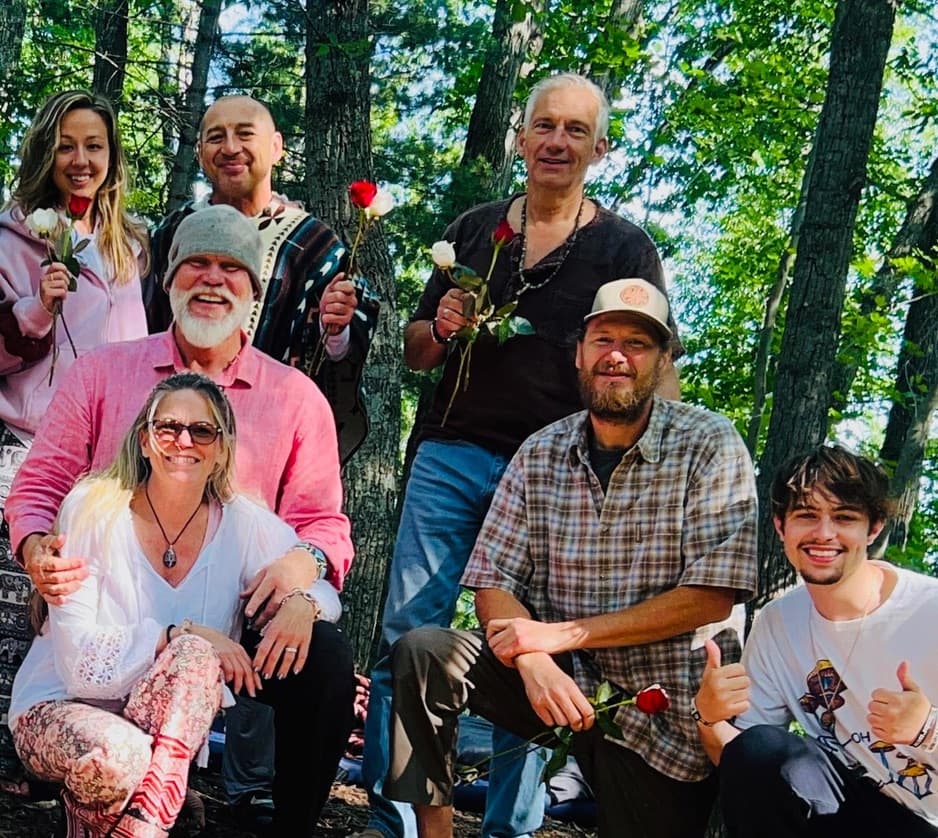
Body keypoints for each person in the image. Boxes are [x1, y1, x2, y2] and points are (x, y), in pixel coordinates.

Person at [358, 72, 683, 838]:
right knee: (408, 632)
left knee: (531, 645)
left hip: (559, 472)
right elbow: (413, 356)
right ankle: (395, 819)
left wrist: (656, 461)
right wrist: (440, 325)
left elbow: (650, 364)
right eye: (545, 126)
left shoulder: (625, 246)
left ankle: (510, 827)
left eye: (576, 130)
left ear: (599, 148)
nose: (557, 142)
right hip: (451, 453)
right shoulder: (473, 231)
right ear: (521, 138)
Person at [5, 204, 356, 833]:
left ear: (254, 290)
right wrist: (37, 550)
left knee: (326, 659)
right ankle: (128, 789)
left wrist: (304, 583)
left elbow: (324, 526)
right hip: (109, 608)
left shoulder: (296, 398)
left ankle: (289, 826)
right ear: (168, 280)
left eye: (232, 269)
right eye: (197, 263)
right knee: (127, 705)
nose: (213, 280)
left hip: (238, 608)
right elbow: (41, 483)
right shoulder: (102, 373)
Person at [384, 278, 757, 838]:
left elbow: (711, 596)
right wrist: (532, 660)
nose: (617, 356)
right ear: (579, 353)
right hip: (559, 683)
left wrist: (559, 637)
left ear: (662, 361)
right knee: (424, 652)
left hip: (664, 719)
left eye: (637, 344)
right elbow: (493, 580)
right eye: (603, 338)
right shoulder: (541, 451)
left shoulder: (708, 442)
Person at [10, 372, 339, 837]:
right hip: (62, 708)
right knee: (126, 747)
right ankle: (139, 807)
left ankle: (141, 822)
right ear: (144, 440)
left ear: (222, 448)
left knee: (195, 659)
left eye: (202, 431)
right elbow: (80, 667)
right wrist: (180, 634)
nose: (184, 441)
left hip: (163, 732)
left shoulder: (245, 524)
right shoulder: (94, 509)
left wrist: (302, 601)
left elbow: (324, 589)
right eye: (168, 427)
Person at [0, 89, 149, 786]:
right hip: (26, 440)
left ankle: (60, 749)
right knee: (13, 598)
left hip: (106, 458)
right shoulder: (12, 236)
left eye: (94, 145)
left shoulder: (129, 245)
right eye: (66, 145)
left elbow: (139, 347)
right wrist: (38, 306)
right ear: (45, 152)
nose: (81, 159)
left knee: (81, 604)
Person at [694, 446, 938, 836]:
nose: (824, 534)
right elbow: (741, 760)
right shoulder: (779, 622)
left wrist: (927, 729)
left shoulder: (929, 610)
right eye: (806, 516)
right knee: (760, 750)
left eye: (844, 518)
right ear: (780, 527)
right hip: (848, 810)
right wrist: (708, 716)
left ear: (873, 529)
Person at [145, 94, 379, 464]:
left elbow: (338, 364)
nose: (231, 148)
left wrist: (337, 331)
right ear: (202, 151)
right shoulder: (170, 233)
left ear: (276, 148)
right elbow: (144, 328)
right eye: (217, 136)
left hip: (265, 445)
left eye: (245, 134)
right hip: (168, 438)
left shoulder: (313, 245)